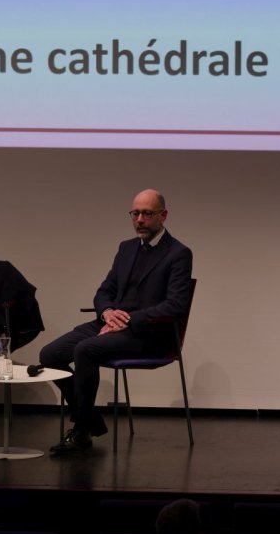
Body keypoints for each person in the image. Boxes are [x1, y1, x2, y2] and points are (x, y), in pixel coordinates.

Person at [40, 188, 193, 455]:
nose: (140, 220)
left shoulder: (178, 253)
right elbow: (104, 291)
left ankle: (82, 431)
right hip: (112, 324)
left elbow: (176, 304)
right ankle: (91, 418)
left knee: (85, 349)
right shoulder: (126, 248)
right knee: (50, 354)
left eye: (147, 213)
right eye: (135, 214)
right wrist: (107, 312)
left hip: (149, 334)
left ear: (163, 215)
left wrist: (130, 319)